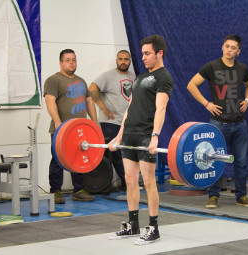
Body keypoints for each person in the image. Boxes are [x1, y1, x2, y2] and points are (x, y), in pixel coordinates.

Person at [108, 35, 173, 244]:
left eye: (147, 53)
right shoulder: (139, 78)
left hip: (146, 135)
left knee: (148, 181)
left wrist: (155, 136)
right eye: (142, 53)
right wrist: (119, 135)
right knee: (129, 180)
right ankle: (133, 225)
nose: (143, 57)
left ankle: (153, 228)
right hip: (129, 135)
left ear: (159, 53)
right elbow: (130, 108)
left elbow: (161, 108)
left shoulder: (164, 78)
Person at [187, 34, 248, 209]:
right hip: (218, 123)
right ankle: (213, 196)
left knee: (241, 162)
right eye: (227, 46)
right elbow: (191, 85)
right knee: (215, 160)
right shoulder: (211, 67)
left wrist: (247, 100)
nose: (229, 50)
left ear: (238, 51)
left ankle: (242, 196)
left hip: (240, 123)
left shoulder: (242, 68)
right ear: (222, 47)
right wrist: (206, 104)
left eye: (233, 48)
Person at [44, 49, 96, 204]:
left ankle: (78, 190)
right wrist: (58, 122)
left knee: (79, 158)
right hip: (62, 130)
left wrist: (94, 123)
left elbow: (89, 102)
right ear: (61, 62)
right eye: (68, 60)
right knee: (58, 159)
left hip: (80, 130)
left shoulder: (81, 81)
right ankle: (55, 192)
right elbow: (50, 101)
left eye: (74, 59)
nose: (71, 62)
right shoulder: (54, 80)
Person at [89, 50, 135, 190]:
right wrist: (104, 108)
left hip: (126, 123)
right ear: (116, 60)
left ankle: (125, 182)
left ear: (130, 61)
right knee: (116, 154)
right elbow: (92, 88)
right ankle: (125, 184)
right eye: (120, 59)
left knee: (127, 153)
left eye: (126, 59)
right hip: (111, 122)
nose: (123, 62)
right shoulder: (108, 76)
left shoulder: (133, 77)